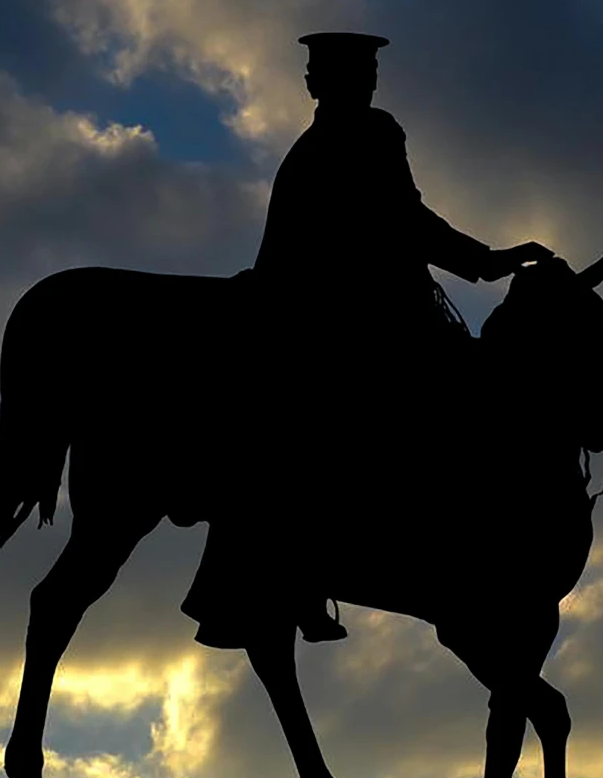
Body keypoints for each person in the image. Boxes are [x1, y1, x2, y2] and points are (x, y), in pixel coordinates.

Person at [182, 32, 550, 649]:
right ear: (328, 81)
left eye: (371, 70)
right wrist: (488, 262)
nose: (371, 80)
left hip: (323, 313)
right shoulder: (373, 133)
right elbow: (406, 220)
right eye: (361, 71)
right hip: (347, 318)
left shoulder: (313, 145)